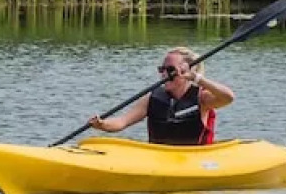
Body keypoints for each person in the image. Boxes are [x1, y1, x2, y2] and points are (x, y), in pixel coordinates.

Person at [87, 46, 234, 146]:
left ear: (186, 72)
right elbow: (122, 122)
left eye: (170, 69)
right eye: (161, 69)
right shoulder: (152, 99)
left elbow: (228, 97)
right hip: (160, 157)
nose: (164, 74)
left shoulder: (202, 98)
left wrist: (197, 78)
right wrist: (102, 124)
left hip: (195, 159)